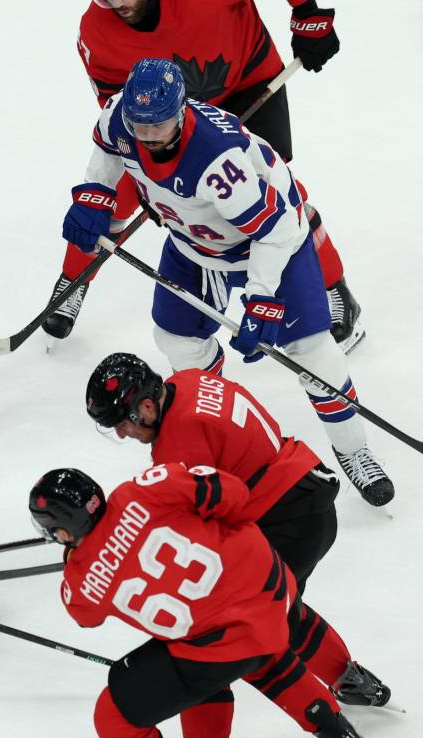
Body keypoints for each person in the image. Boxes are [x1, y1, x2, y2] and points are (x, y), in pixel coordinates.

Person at [85, 351, 393, 738]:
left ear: (145, 407)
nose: (123, 434)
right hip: (303, 497)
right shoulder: (185, 382)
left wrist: (117, 540)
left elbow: (194, 524)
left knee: (227, 637)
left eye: (122, 423)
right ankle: (347, 678)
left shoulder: (178, 442)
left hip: (286, 518)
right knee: (272, 616)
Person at [60, 58, 392, 505]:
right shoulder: (123, 116)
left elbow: (275, 231)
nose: (145, 136)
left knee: (316, 356)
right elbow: (107, 150)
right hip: (194, 243)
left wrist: (261, 299)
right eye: (139, 125)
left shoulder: (219, 160)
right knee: (175, 338)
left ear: (180, 112)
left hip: (272, 241)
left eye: (156, 126)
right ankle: (215, 421)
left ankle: (355, 451)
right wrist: (95, 193)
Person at [28, 463, 378, 738]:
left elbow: (83, 614)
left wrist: (80, 552)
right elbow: (232, 494)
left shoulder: (83, 575)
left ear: (63, 530)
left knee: (118, 712)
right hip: (273, 587)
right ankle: (329, 725)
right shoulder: (144, 488)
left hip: (223, 641)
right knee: (223, 642)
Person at [46, 0, 361, 353]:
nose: (117, 3)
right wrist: (154, 186)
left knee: (278, 201)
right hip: (166, 125)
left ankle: (334, 287)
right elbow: (118, 118)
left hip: (247, 84)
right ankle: (73, 282)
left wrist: (306, 10)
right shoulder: (95, 31)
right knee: (112, 199)